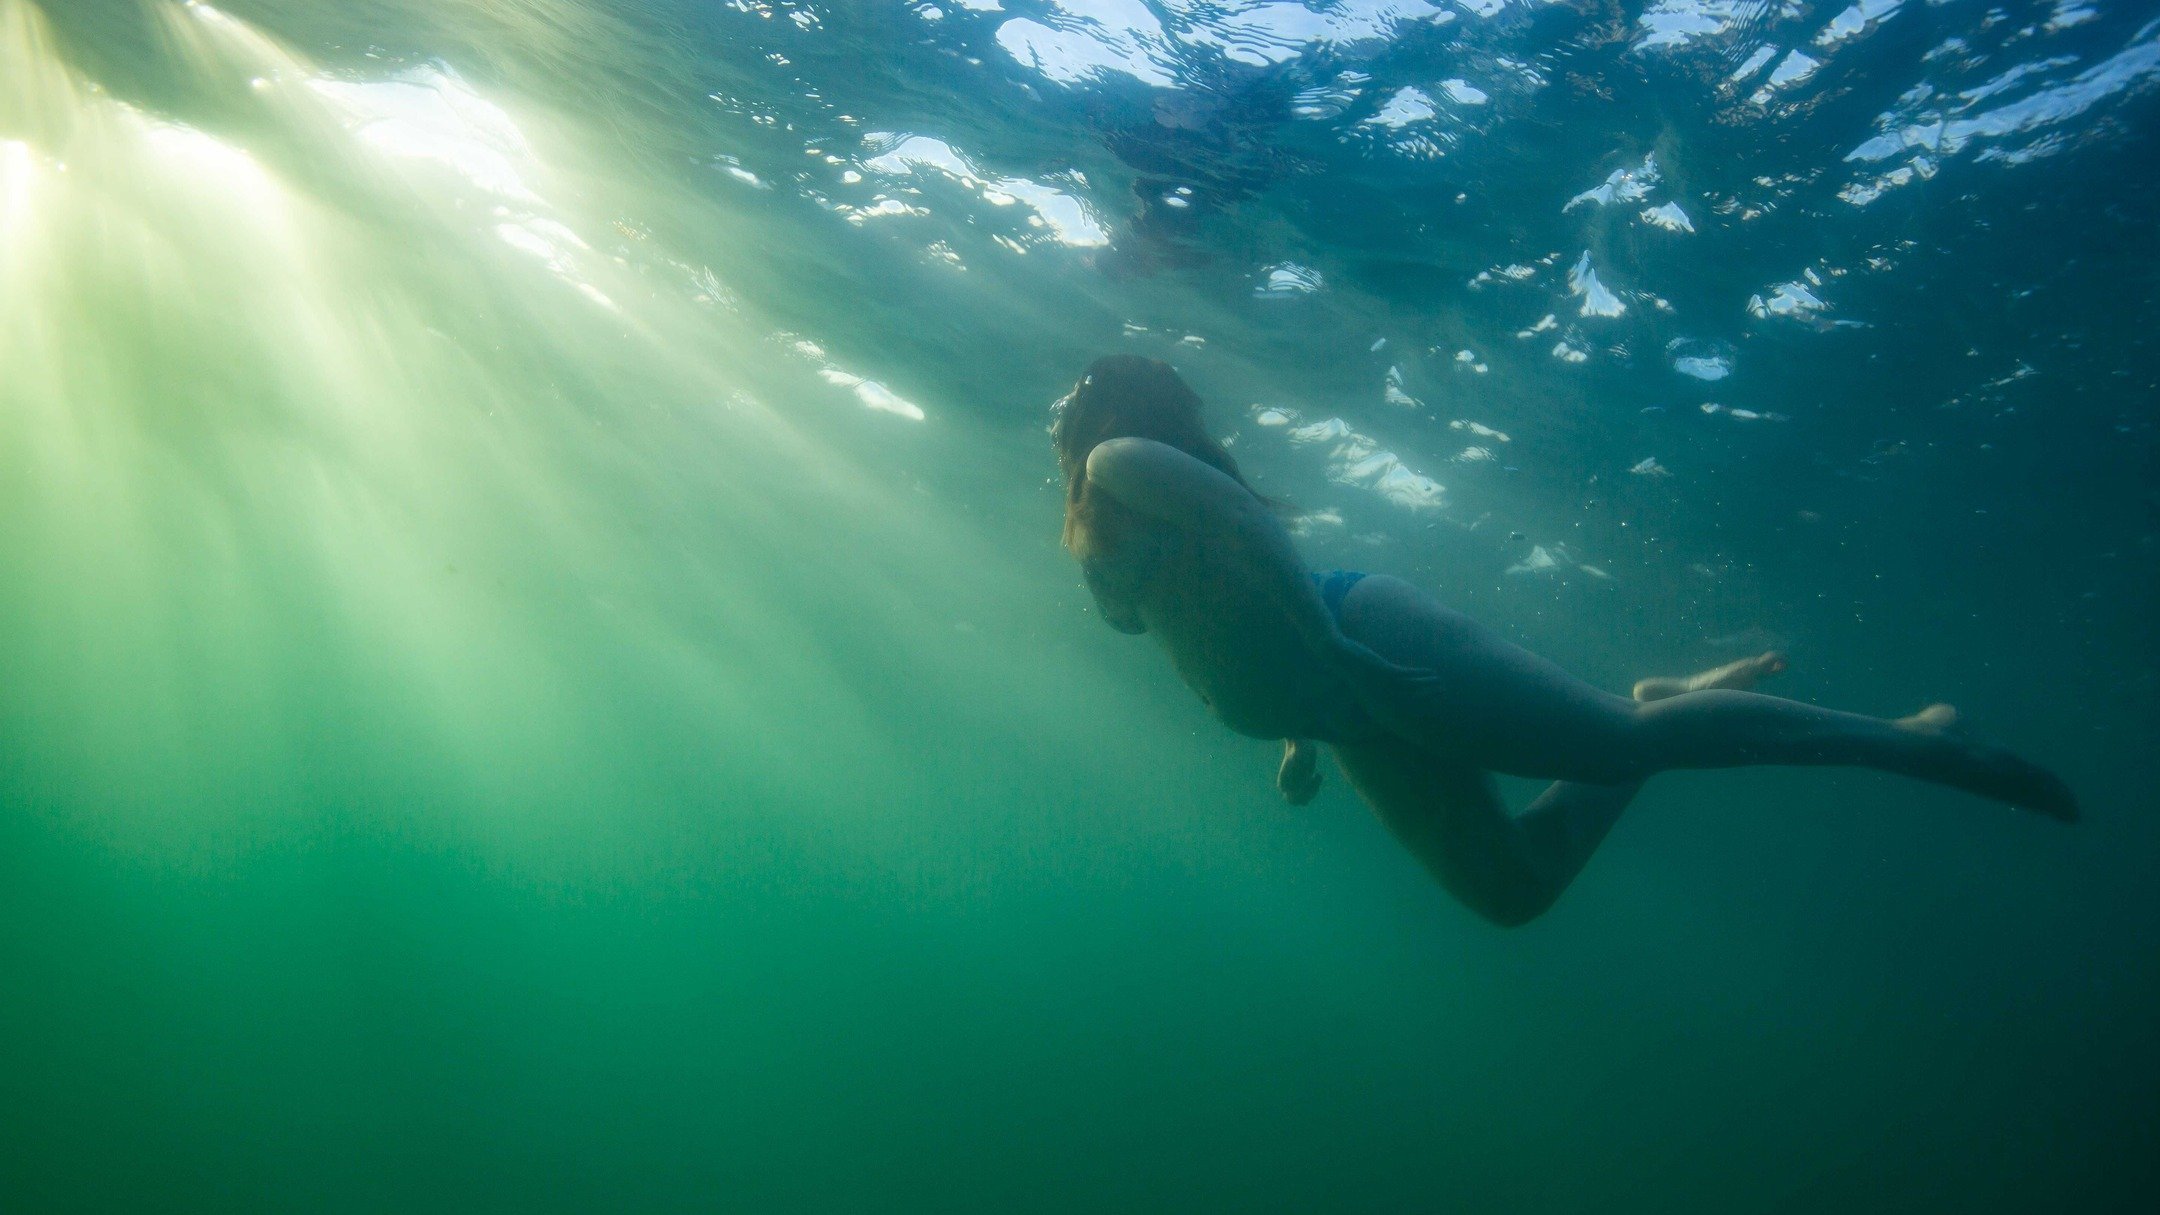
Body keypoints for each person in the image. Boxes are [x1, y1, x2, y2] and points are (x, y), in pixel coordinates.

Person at [1053, 355, 2078, 927]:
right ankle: (1664, 707)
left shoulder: (1115, 459)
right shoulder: (1097, 530)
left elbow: (1246, 529)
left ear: (1120, 409)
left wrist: (1327, 648)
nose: (1058, 405)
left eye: (1077, 394)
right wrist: (1298, 733)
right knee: (1511, 891)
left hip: (1360, 636)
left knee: (1614, 746)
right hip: (1340, 695)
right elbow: (1218, 622)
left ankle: (1930, 739)